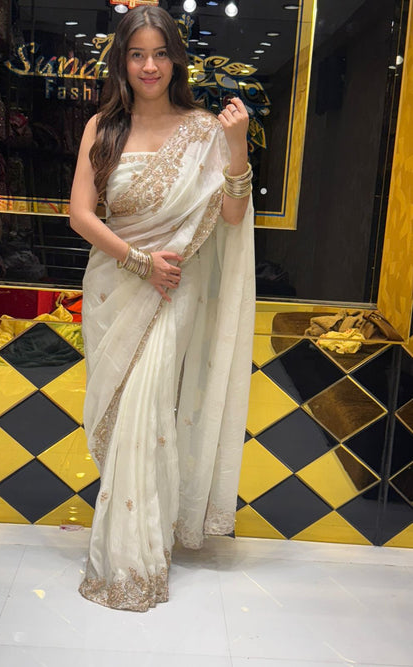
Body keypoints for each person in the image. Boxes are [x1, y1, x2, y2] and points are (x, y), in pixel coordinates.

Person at [69, 5, 255, 612]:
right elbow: (80, 215)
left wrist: (237, 146)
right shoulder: (103, 127)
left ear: (176, 59)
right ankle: (132, 542)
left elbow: (231, 216)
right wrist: (139, 261)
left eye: (159, 54)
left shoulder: (202, 130)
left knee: (148, 410)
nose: (149, 66)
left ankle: (136, 560)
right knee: (118, 416)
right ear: (122, 62)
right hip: (115, 286)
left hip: (173, 290)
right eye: (136, 54)